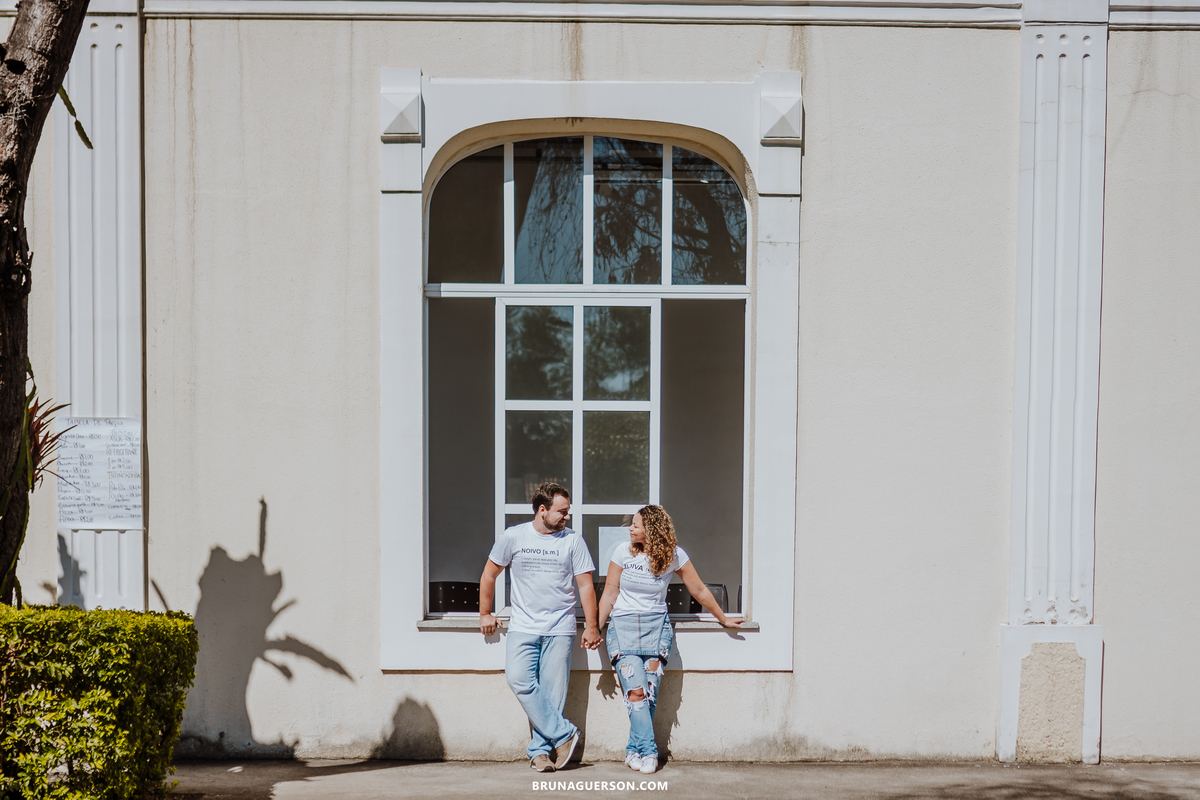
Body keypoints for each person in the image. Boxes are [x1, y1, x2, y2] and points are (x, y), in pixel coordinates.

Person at [597, 505, 741, 775]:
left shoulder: (674, 555)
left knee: (649, 694)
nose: (631, 528)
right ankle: (650, 752)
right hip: (623, 628)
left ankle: (632, 751)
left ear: (651, 530)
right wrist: (594, 627)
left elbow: (697, 589)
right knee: (636, 693)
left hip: (656, 630)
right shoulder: (622, 552)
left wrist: (723, 618)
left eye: (637, 525)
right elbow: (609, 593)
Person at [479, 482, 602, 773]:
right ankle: (565, 735)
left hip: (560, 627)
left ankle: (539, 752)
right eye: (562, 512)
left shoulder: (573, 541)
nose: (567, 517)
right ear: (542, 510)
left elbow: (585, 586)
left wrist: (592, 626)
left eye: (568, 512)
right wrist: (485, 612)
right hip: (523, 625)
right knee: (519, 679)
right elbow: (489, 574)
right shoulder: (513, 537)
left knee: (552, 694)